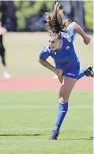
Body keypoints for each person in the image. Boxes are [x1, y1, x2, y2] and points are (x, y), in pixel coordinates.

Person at [39, 2, 92, 140]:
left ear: (60, 40)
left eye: (53, 43)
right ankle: (86, 72)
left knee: (62, 95)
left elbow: (74, 25)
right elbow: (41, 60)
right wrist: (54, 70)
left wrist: (85, 37)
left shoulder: (67, 38)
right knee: (66, 85)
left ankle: (55, 130)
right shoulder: (47, 49)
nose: (50, 45)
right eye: (49, 42)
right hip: (60, 69)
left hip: (72, 66)